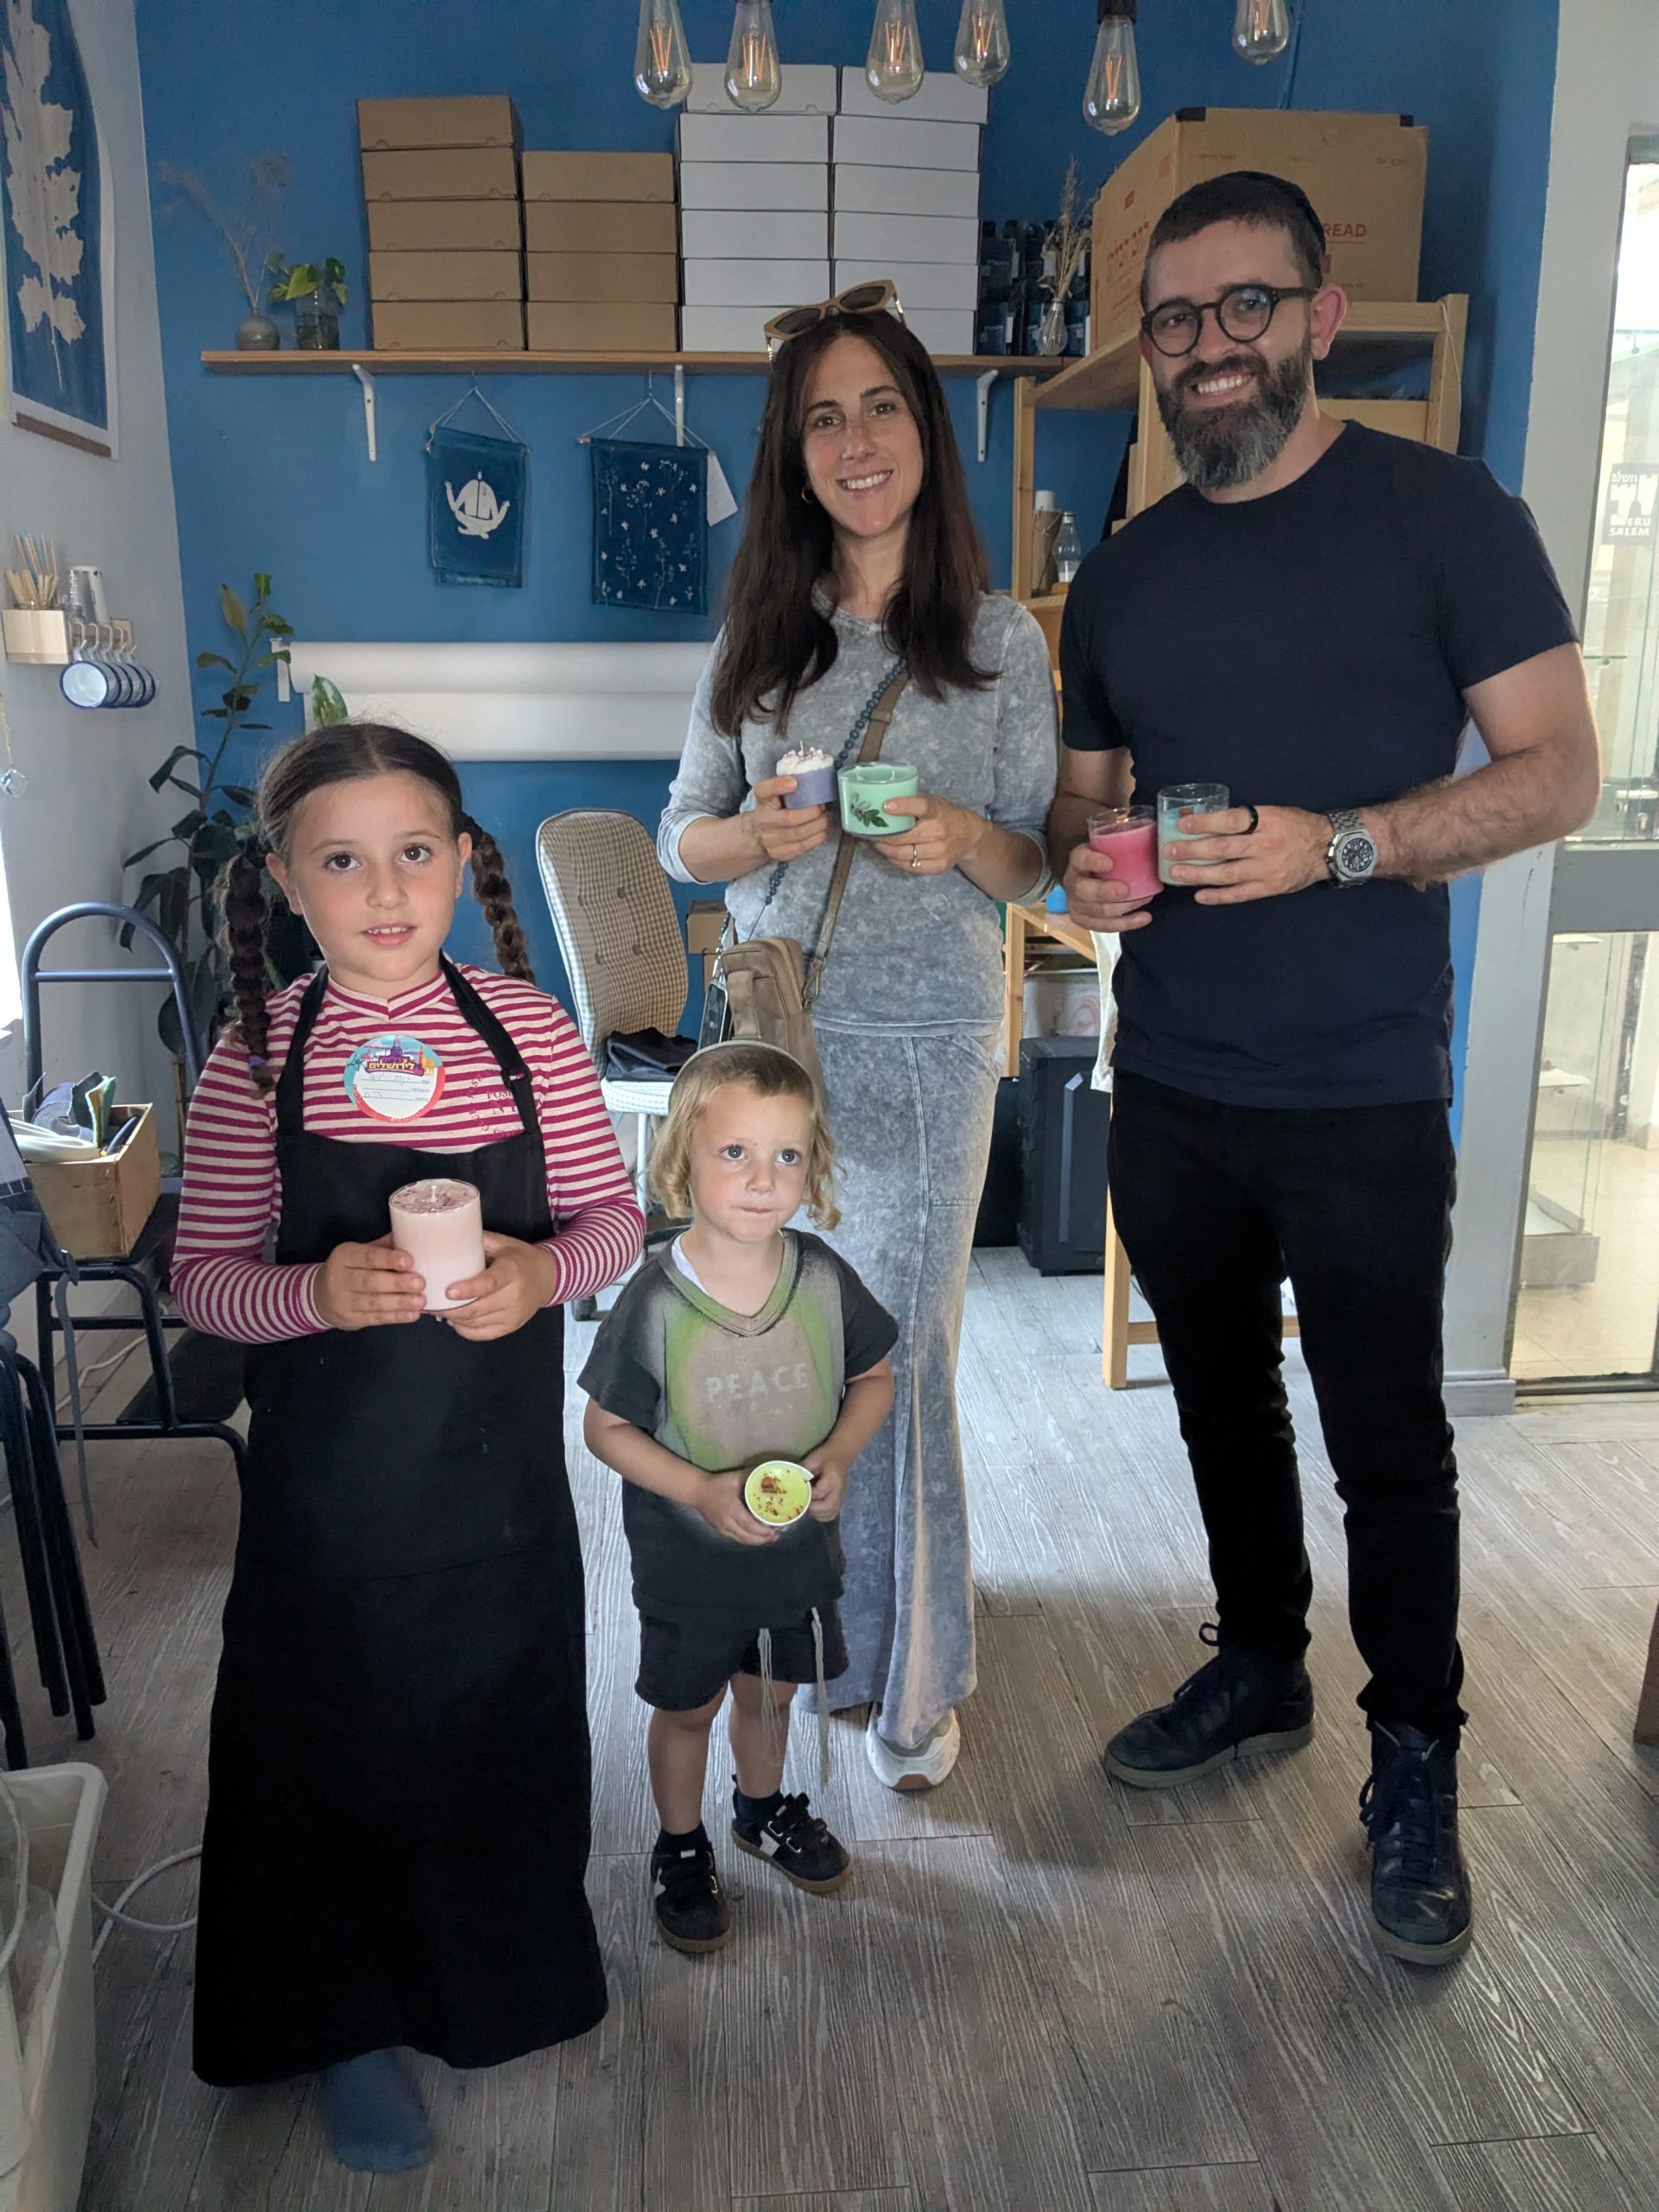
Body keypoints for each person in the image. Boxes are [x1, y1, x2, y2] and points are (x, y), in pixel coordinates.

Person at [1050, 171, 1599, 1965]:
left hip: (1362, 1088)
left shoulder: (1446, 516)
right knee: (1218, 1407)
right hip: (1173, 1081)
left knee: (1389, 1446)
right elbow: (1080, 813)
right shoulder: (1124, 572)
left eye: (1246, 305)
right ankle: (1264, 1662)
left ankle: (1416, 1758)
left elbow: (1559, 771)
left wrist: (1342, 843)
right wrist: (1088, 871)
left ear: (1319, 310)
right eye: (1177, 318)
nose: (1210, 345)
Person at [172, 722, 644, 2171]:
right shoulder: (257, 1060)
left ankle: (495, 1980)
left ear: (460, 861)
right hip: (330, 1509)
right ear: (285, 884)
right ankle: (343, 2023)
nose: (385, 890)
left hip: (496, 1499)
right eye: (342, 861)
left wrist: (541, 1272)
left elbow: (615, 1224)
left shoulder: (530, 1035)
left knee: (491, 1726)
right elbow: (202, 1282)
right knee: (332, 1746)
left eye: (415, 852)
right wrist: (313, 1295)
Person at [658, 290, 1058, 1789]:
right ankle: (814, 1636)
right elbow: (680, 837)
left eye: (881, 405)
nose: (856, 440)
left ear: (924, 430)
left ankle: (913, 1679)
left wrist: (960, 835)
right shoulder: (759, 642)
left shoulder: (1000, 642)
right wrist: (753, 831)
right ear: (795, 453)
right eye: (823, 416)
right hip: (781, 1043)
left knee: (903, 1358)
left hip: (933, 1038)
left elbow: (1037, 863)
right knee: (788, 1350)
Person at [581, 1041, 896, 1951]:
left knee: (772, 1695)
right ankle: (680, 1845)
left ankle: (760, 1809)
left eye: (787, 1154)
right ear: (682, 1156)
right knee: (688, 1708)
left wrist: (838, 1453)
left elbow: (874, 1378)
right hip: (688, 1567)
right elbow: (605, 1429)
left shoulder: (823, 1278)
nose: (764, 1179)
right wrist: (698, 1489)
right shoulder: (655, 1299)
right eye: (735, 1152)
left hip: (796, 1558)